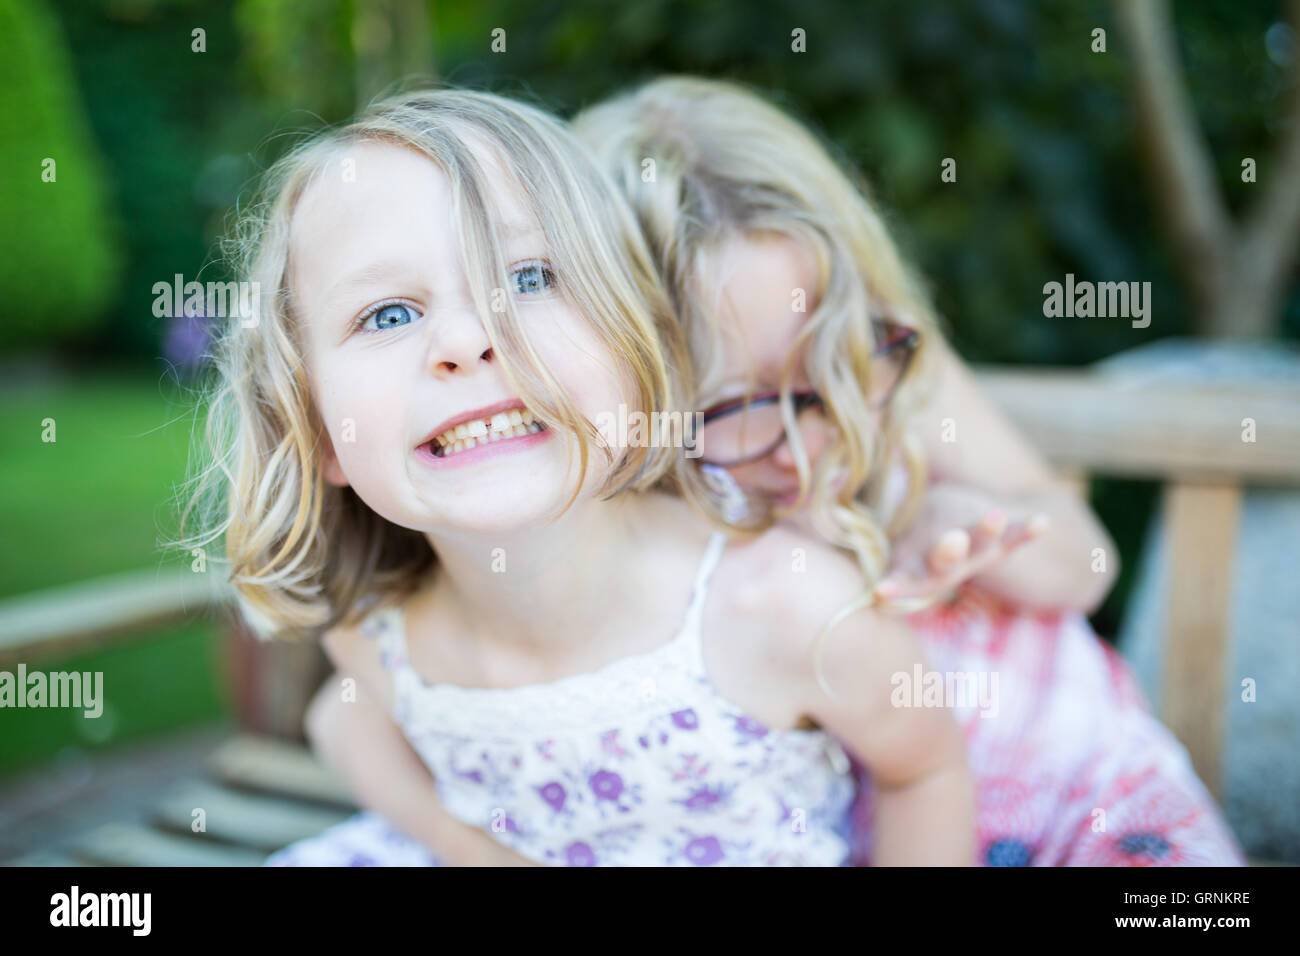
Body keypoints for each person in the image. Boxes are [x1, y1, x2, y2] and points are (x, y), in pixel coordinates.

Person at [179, 87, 975, 866]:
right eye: (388, 314)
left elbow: (923, 768)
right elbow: (344, 727)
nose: (469, 338)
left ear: (642, 345)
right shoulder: (378, 633)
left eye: (529, 279)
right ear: (316, 431)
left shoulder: (785, 608)